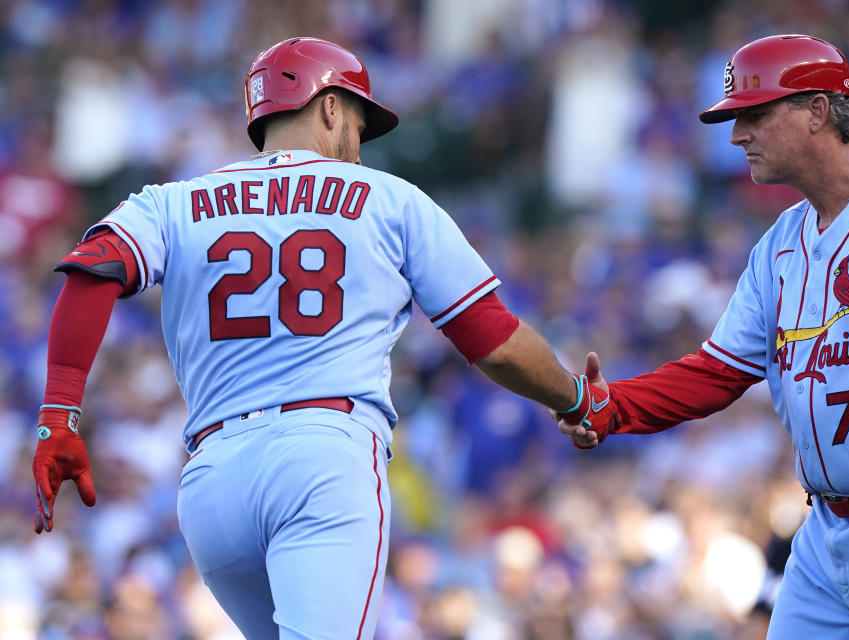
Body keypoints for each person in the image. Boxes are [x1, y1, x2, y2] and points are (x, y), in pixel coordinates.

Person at [31, 37, 617, 639]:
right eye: (359, 122)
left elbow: (92, 271)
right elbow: (492, 340)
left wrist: (58, 412)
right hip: (323, 459)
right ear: (331, 107)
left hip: (212, 483)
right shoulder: (390, 199)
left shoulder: (173, 202)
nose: (359, 144)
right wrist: (573, 397)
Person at [560, 34, 849, 639]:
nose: (736, 134)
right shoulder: (780, 243)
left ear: (817, 112)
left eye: (754, 115)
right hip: (826, 533)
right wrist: (613, 406)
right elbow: (717, 371)